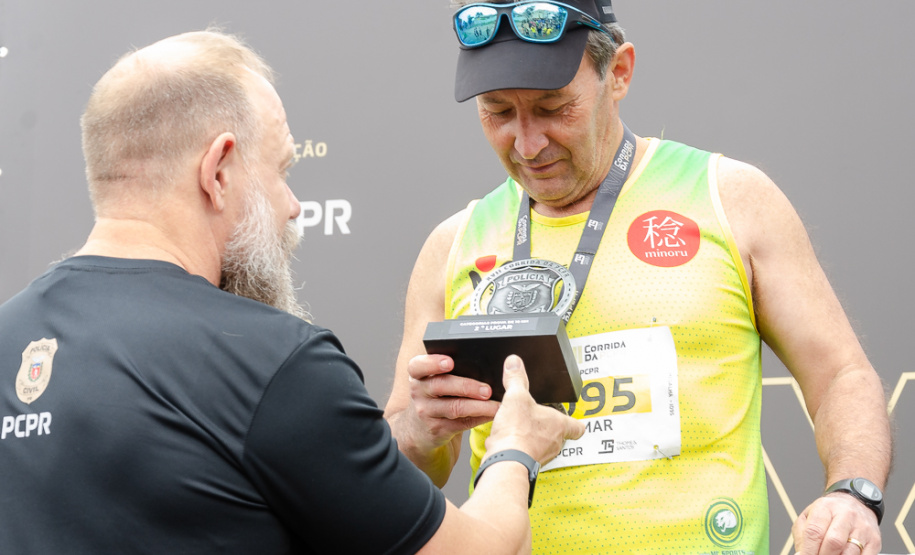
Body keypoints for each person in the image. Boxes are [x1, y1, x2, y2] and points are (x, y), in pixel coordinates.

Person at [0, 29, 585, 554]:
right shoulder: (272, 363)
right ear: (218, 171)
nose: (293, 205)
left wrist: (407, 438)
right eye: (281, 171)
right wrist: (514, 449)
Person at [383, 1, 892, 554]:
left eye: (554, 107)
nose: (527, 143)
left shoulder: (730, 199)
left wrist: (851, 494)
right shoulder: (453, 244)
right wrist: (418, 430)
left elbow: (841, 375)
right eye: (498, 112)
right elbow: (404, 462)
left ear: (618, 72)